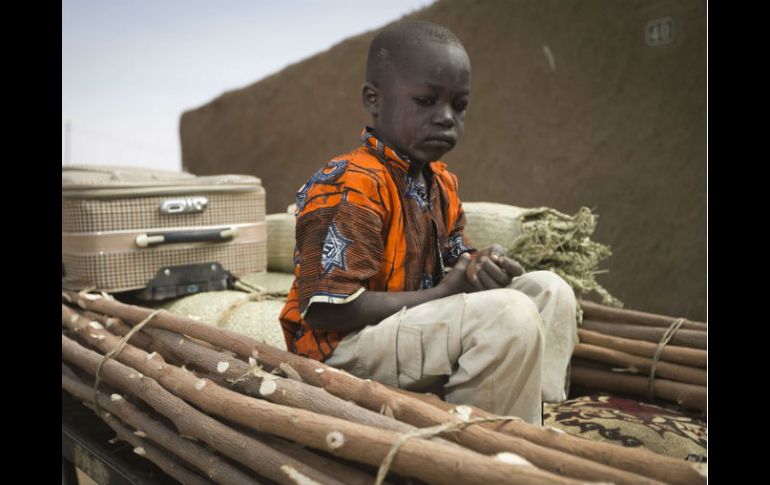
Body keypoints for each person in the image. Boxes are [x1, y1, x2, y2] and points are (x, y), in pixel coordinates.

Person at [279, 20, 577, 425]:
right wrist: (445, 292)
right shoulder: (351, 182)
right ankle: (482, 443)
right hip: (343, 352)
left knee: (550, 290)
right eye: (425, 101)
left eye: (459, 105)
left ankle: (525, 419)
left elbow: (456, 263)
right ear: (374, 99)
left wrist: (480, 264)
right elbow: (326, 313)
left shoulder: (440, 182)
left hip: (408, 327)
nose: (446, 118)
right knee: (507, 315)